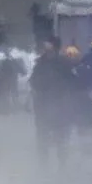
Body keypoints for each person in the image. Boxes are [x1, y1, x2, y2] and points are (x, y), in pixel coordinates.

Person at [29, 37, 74, 170]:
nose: (45, 47)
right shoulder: (41, 63)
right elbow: (33, 80)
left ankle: (62, 165)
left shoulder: (63, 63)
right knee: (43, 139)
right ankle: (44, 166)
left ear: (54, 47)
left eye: (48, 44)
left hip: (59, 106)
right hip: (43, 106)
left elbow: (71, 82)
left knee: (60, 139)